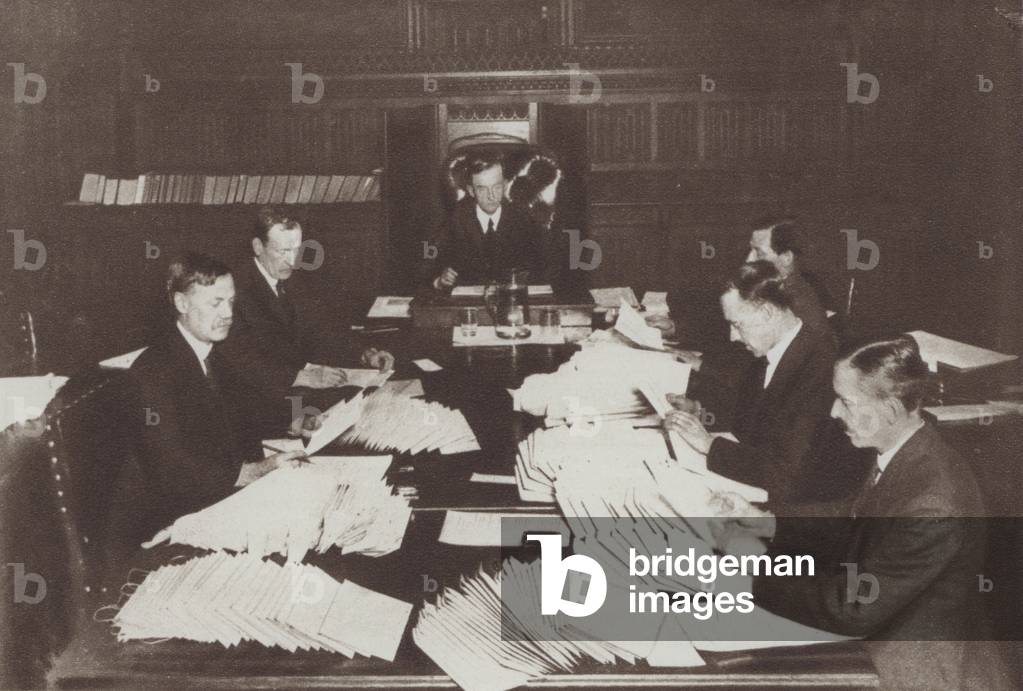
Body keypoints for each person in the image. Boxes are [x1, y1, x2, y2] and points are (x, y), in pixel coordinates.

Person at [717, 335, 1011, 690]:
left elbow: (851, 608)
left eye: (845, 401)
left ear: (889, 411)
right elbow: (852, 515)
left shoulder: (932, 504)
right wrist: (766, 520)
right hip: (887, 637)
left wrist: (748, 576)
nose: (834, 412)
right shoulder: (908, 451)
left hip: (914, 672)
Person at [129, 253, 305, 527]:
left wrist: (296, 420)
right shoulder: (153, 372)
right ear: (182, 303)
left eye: (231, 302)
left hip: (224, 499)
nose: (228, 314)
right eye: (216, 303)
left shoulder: (216, 352)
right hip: (183, 518)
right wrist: (251, 473)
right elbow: (174, 469)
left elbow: (247, 413)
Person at [663, 261, 857, 504]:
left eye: (737, 324)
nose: (733, 336)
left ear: (767, 313)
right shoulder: (773, 350)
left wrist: (710, 445)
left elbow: (786, 473)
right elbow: (751, 427)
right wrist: (698, 412)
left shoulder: (821, 367)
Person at [221, 207, 393, 408]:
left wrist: (364, 354)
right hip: (259, 400)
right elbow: (240, 360)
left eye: (296, 250)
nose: (293, 261)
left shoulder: (293, 279)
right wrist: (302, 377)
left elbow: (321, 330)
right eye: (283, 251)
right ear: (258, 246)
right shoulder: (233, 289)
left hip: (299, 393)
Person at [675, 217, 834, 371]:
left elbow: (751, 371)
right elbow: (724, 330)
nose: (749, 259)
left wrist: (704, 367)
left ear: (786, 257)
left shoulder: (794, 303)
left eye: (759, 252)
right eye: (750, 250)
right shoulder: (775, 289)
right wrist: (676, 328)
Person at [430, 151, 545, 289]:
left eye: (496, 187)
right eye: (482, 189)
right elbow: (430, 264)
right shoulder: (455, 220)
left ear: (505, 186)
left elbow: (545, 266)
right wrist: (440, 281)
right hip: (469, 304)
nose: (491, 196)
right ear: (471, 191)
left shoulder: (525, 219)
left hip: (513, 300)